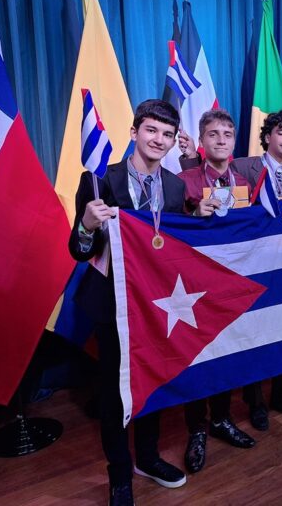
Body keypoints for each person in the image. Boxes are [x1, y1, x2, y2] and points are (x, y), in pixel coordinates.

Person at [69, 100, 187, 506]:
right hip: (112, 304)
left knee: (151, 382)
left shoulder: (175, 187)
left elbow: (174, 246)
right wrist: (87, 224)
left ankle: (148, 458)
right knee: (115, 392)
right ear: (135, 131)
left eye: (167, 134)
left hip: (156, 304)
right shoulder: (99, 180)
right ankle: (120, 473)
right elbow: (78, 251)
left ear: (174, 141)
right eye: (151, 130)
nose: (158, 140)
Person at [176, 109, 256, 474]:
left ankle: (222, 418)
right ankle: (197, 428)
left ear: (234, 140)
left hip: (232, 282)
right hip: (194, 288)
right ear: (202, 141)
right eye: (213, 134)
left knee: (227, 352)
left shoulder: (245, 182)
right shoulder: (184, 181)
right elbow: (169, 234)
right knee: (199, 357)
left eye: (227, 133)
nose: (221, 139)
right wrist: (195, 218)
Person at [231, 110, 282, 430]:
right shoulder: (243, 166)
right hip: (255, 262)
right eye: (281, 133)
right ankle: (255, 401)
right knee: (256, 333)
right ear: (267, 137)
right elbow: (230, 204)